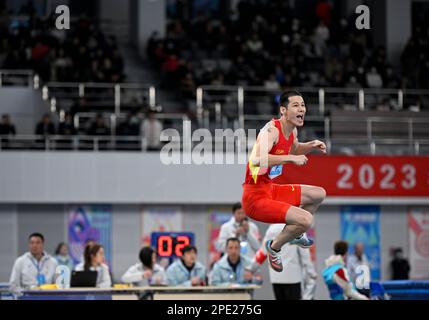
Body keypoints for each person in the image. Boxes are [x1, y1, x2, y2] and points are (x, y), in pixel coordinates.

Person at [241, 90, 326, 272]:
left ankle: (296, 233)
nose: (301, 109)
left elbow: (294, 148)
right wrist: (289, 159)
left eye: (303, 105)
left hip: (271, 190)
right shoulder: (270, 131)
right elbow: (256, 160)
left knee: (319, 194)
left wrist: (311, 145)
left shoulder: (292, 130)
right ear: (283, 111)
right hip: (255, 199)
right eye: (295, 105)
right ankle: (274, 247)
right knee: (305, 219)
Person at [251, 224, 317, 300]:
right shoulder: (297, 228)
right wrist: (312, 274)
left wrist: (250, 269)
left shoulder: (271, 230)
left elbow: (262, 253)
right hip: (293, 277)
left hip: (276, 277)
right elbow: (306, 257)